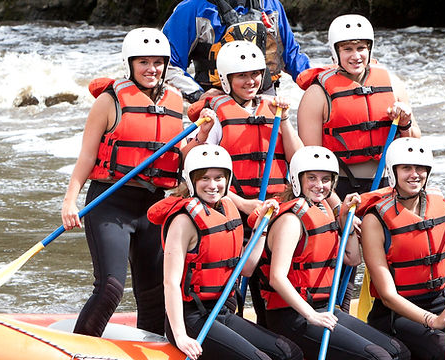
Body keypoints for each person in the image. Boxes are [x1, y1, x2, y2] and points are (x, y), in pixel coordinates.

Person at [59, 28, 214, 337]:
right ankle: (80, 348)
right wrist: (69, 200)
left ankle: (150, 351)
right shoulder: (109, 101)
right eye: (143, 62)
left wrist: (203, 136)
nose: (151, 69)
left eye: (158, 62)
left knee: (154, 294)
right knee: (111, 288)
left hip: (155, 207)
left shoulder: (175, 99)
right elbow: (88, 156)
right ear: (129, 64)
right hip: (110, 203)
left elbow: (181, 156)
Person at [295, 14, 422, 311]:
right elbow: (311, 164)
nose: (356, 55)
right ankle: (336, 313)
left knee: (398, 251)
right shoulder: (318, 94)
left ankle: (397, 315)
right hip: (341, 189)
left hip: (385, 186)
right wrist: (337, 207)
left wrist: (405, 122)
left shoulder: (392, 84)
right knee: (345, 260)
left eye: (362, 47)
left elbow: (414, 144)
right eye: (348, 49)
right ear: (336, 52)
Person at [147, 144, 302, 360]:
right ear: (191, 181)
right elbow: (170, 283)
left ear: (227, 180)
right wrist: (181, 336)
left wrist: (262, 227)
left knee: (289, 352)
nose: (213, 185)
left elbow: (246, 269)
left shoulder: (228, 209)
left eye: (219, 178)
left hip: (222, 312)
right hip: (191, 317)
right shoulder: (183, 221)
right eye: (205, 178)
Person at [188, 40, 304, 326]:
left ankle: (274, 338)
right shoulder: (216, 114)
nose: (250, 81)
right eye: (241, 76)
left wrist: (285, 120)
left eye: (255, 74)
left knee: (268, 283)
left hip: (273, 210)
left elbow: (299, 159)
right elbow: (201, 173)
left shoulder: (274, 108)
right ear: (226, 81)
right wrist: (243, 203)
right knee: (234, 284)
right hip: (234, 211)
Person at [257, 146, 411, 360]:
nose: (319, 185)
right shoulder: (290, 221)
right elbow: (277, 278)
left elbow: (353, 258)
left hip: (325, 309)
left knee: (398, 351)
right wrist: (311, 316)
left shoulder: (324, 210)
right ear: (297, 179)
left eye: (326, 179)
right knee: (378, 357)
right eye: (311, 178)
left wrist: (346, 222)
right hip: (292, 315)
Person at [358, 137, 445, 360]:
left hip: (441, 304)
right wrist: (432, 321)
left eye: (420, 168)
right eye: (406, 168)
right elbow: (387, 295)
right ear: (392, 171)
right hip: (396, 314)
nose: (414, 174)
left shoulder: (440, 207)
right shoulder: (375, 220)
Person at [162, 0, 311, 102]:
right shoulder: (192, 8)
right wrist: (198, 94)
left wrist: (318, 83)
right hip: (216, 103)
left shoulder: (270, 4)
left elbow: (291, 57)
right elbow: (165, 65)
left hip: (265, 99)